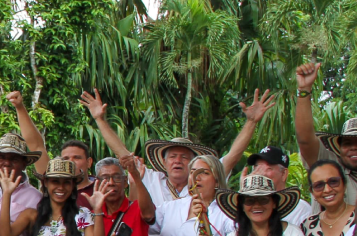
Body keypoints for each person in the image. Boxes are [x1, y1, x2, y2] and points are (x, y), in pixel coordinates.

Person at [78, 86, 273, 209]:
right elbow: (123, 154)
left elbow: (233, 156)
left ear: (194, 164)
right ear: (163, 161)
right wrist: (100, 119)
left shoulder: (205, 179)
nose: (178, 161)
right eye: (172, 156)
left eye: (184, 157)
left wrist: (251, 122)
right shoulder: (149, 177)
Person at [294, 61, 357, 204]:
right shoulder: (330, 167)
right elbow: (305, 140)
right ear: (339, 148)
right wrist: (304, 89)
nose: (354, 147)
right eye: (347, 143)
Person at [243, 145, 313, 226]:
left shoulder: (301, 209)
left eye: (268, 169)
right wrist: (245, 190)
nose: (261, 173)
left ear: (283, 174)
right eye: (257, 168)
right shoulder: (247, 206)